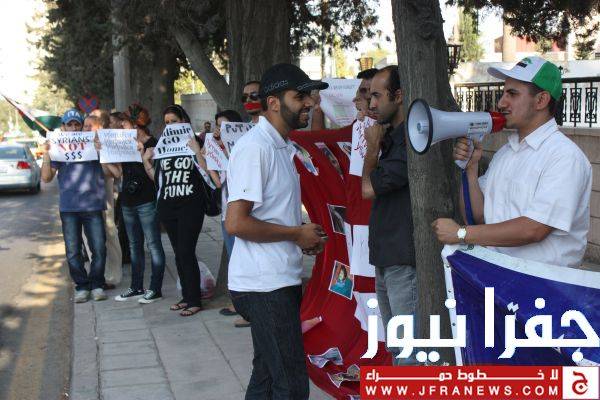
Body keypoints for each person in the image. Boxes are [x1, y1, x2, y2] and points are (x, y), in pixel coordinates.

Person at [225, 63, 329, 399]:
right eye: (299, 96)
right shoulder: (256, 148)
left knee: (268, 376)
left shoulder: (282, 145)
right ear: (273, 103)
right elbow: (236, 223)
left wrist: (300, 236)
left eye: (309, 96)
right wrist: (296, 234)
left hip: (275, 281)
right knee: (291, 384)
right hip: (263, 285)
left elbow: (271, 213)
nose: (309, 103)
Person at [432, 56, 592, 268]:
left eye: (512, 94)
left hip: (542, 282)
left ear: (541, 100)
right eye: (504, 93)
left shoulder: (564, 157)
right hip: (500, 275)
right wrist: (471, 169)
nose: (501, 103)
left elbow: (534, 229)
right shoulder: (505, 153)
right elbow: (479, 216)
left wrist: (461, 234)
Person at [361, 65, 417, 365]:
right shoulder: (391, 136)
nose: (371, 104)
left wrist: (371, 150)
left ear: (399, 96)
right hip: (386, 257)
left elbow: (367, 189)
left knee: (408, 353)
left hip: (402, 260)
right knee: (397, 347)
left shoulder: (411, 139)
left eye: (377, 96)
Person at [41, 109, 121, 303]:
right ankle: (82, 286)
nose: (74, 128)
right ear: (63, 128)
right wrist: (46, 154)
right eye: (70, 124)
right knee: (73, 251)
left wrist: (101, 151)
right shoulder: (58, 150)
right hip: (69, 208)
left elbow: (114, 173)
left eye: (77, 124)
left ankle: (97, 284)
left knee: (99, 248)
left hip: (93, 206)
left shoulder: (92, 146)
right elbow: (46, 178)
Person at [142, 104, 210, 316]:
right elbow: (158, 180)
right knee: (178, 253)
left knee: (186, 251)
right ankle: (187, 296)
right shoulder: (163, 146)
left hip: (191, 205)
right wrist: (146, 162)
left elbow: (207, 172)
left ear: (184, 121)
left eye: (174, 121)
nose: (170, 125)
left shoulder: (196, 142)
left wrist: (197, 150)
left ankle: (195, 300)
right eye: (167, 122)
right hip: (168, 206)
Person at [114, 105, 166, 303]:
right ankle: (136, 286)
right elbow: (119, 171)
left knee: (153, 244)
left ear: (136, 125)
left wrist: (143, 154)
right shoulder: (124, 143)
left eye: (125, 123)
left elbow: (158, 178)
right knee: (134, 245)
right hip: (128, 201)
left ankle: (155, 288)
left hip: (147, 201)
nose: (121, 126)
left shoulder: (153, 144)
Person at [90, 109, 122, 288]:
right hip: (86, 197)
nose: (87, 129)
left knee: (110, 231)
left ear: (100, 127)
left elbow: (115, 172)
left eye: (91, 125)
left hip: (105, 192)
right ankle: (96, 274)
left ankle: (113, 275)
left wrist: (101, 153)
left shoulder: (107, 143)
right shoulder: (80, 144)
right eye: (85, 126)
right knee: (89, 235)